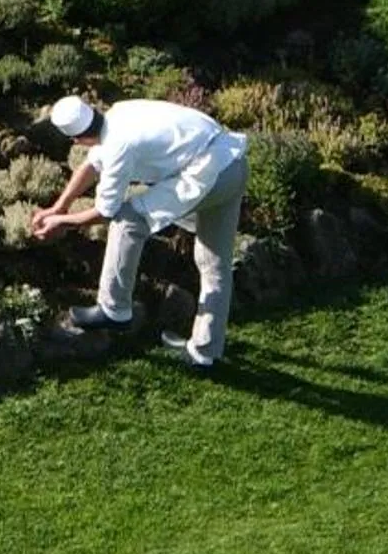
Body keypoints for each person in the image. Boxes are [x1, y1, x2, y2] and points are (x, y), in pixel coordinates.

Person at [29, 94, 250, 368]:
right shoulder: (118, 114)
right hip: (234, 163)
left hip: (208, 172)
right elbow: (91, 165)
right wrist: (58, 207)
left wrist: (63, 223)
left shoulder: (118, 145)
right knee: (215, 265)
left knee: (129, 217)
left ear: (77, 138)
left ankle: (114, 309)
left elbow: (106, 212)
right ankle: (205, 353)